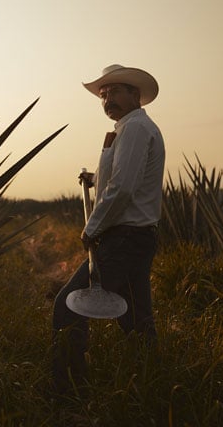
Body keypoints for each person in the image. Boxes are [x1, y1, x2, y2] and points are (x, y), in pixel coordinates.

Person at [51, 64, 165, 397]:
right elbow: (121, 180)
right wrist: (94, 180)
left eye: (115, 91)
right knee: (137, 321)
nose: (107, 99)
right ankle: (154, 387)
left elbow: (124, 189)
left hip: (124, 238)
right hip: (136, 238)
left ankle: (68, 390)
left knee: (67, 306)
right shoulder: (130, 128)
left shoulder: (135, 129)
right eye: (103, 94)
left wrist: (92, 227)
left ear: (135, 94)